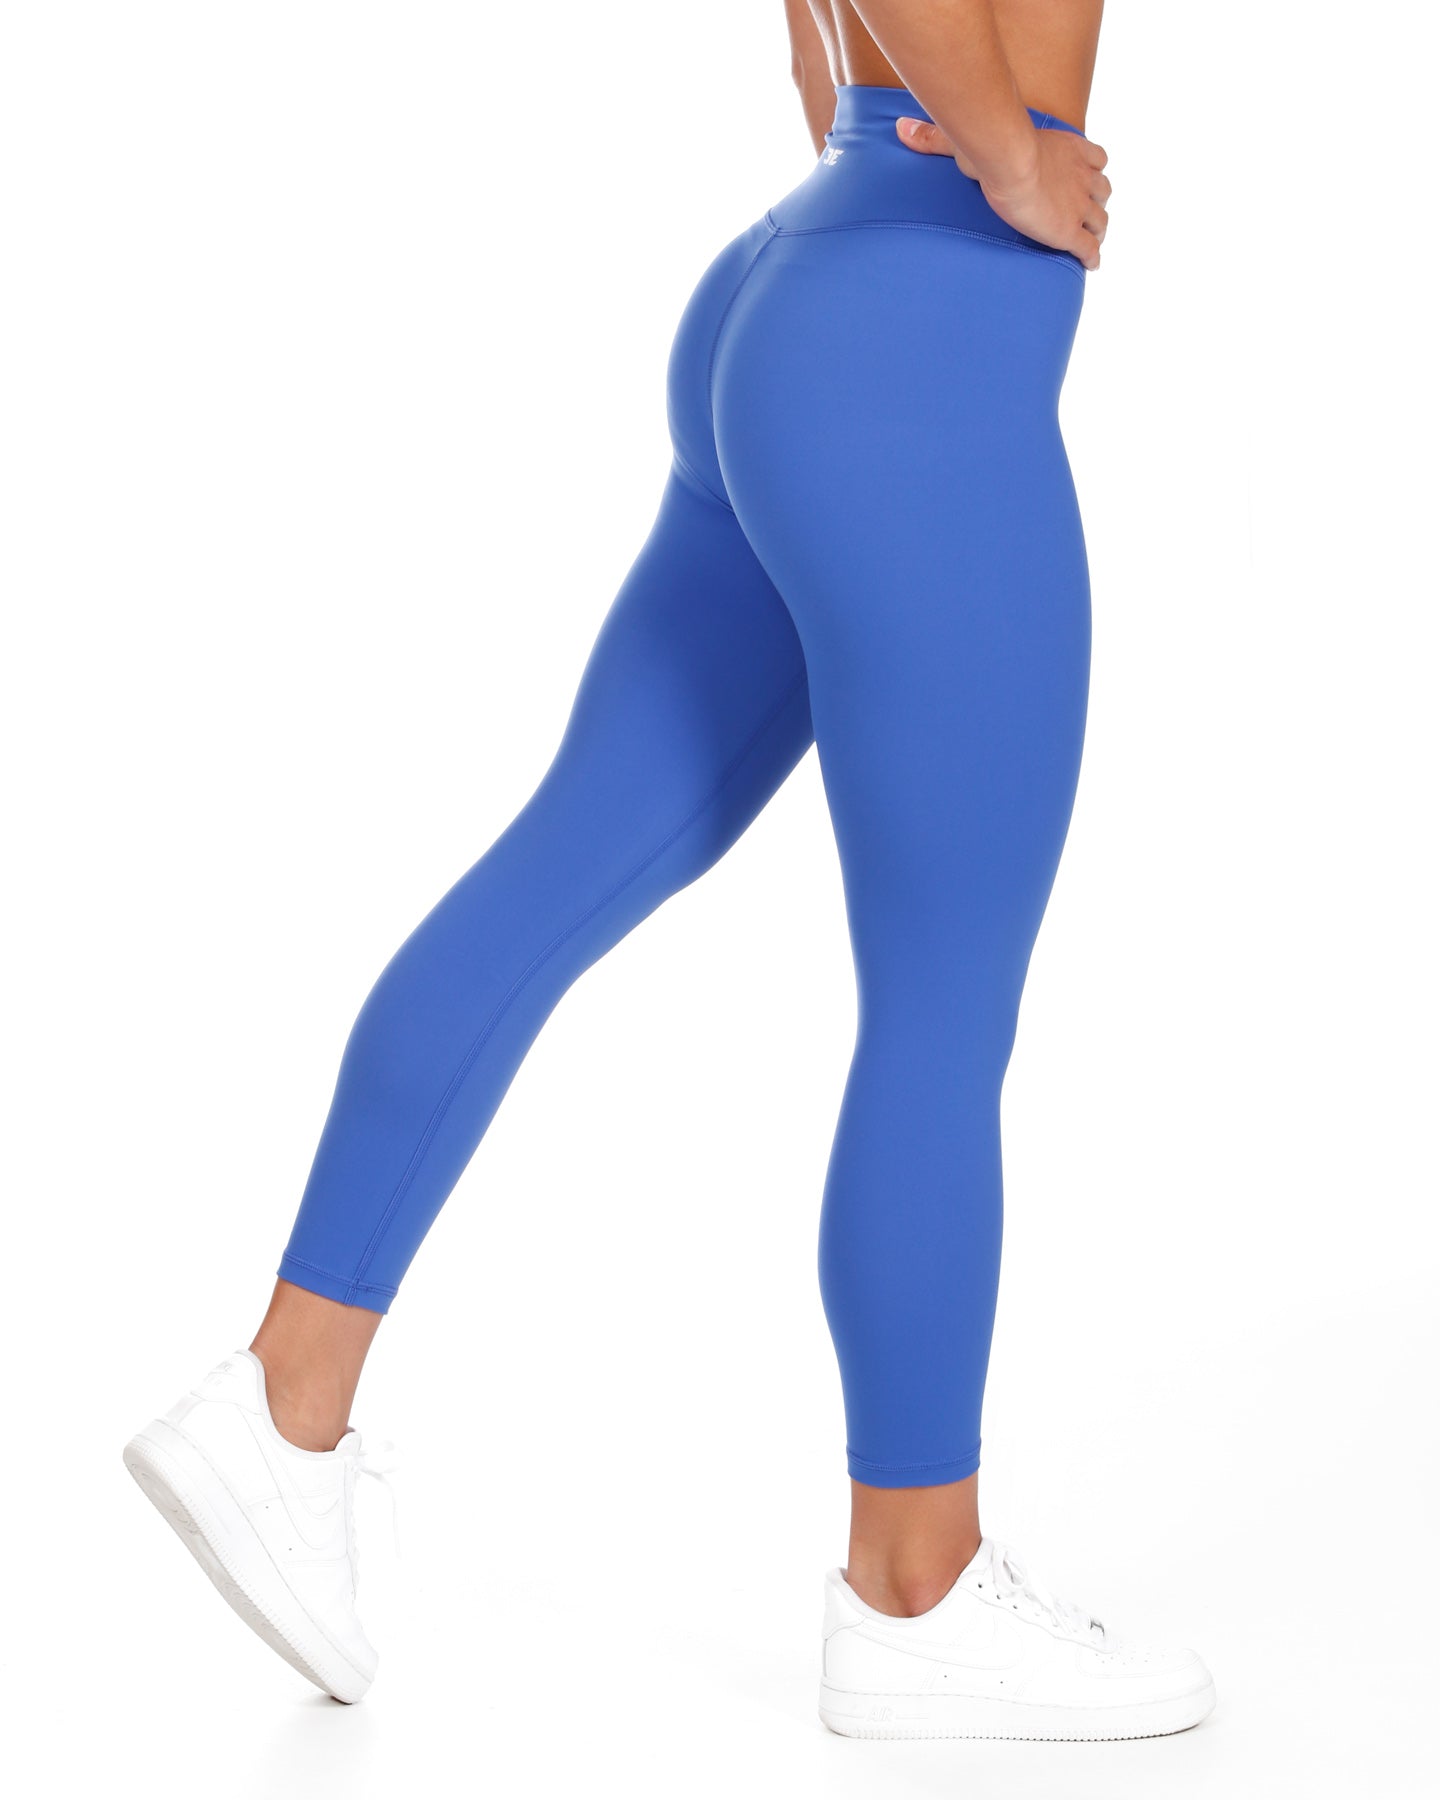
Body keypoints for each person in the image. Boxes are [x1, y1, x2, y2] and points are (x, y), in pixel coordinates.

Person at [124, 0, 1215, 1741]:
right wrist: (1008, 154)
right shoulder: (956, 258)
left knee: (557, 873)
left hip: (803, 285)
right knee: (943, 1009)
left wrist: (911, 153)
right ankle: (917, 1589)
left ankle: (282, 1403)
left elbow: (819, 55)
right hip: (921, 346)